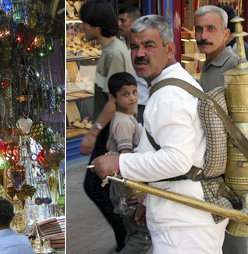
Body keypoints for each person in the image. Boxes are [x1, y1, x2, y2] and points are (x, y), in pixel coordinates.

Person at [92, 15, 228, 253]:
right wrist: (151, 199)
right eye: (134, 46)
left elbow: (178, 160)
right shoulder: (172, 84)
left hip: (185, 225)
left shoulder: (169, 96)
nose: (140, 54)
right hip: (184, 215)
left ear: (169, 50)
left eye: (149, 45)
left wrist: (120, 162)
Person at [192, 5, 248, 254]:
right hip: (216, 167)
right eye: (199, 29)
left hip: (232, 169)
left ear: (226, 35)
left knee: (232, 236)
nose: (203, 36)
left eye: (211, 29)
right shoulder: (210, 65)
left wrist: (240, 145)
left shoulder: (232, 63)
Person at [78, 1, 135, 251]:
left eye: (85, 23)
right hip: (107, 129)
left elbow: (116, 98)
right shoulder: (110, 50)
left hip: (110, 130)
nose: (82, 27)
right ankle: (125, 237)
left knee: (96, 185)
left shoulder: (113, 52)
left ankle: (127, 238)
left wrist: (93, 133)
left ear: (96, 26)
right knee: (104, 186)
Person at [105, 72, 151, 254]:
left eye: (134, 92)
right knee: (142, 235)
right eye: (125, 94)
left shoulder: (122, 119)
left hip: (123, 185)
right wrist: (138, 192)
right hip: (128, 187)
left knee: (133, 231)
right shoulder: (124, 122)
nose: (132, 98)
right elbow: (125, 158)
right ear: (112, 98)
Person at [118, 7, 149, 124]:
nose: (118, 24)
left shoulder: (143, 51)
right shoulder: (120, 47)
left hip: (143, 105)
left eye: (123, 21)